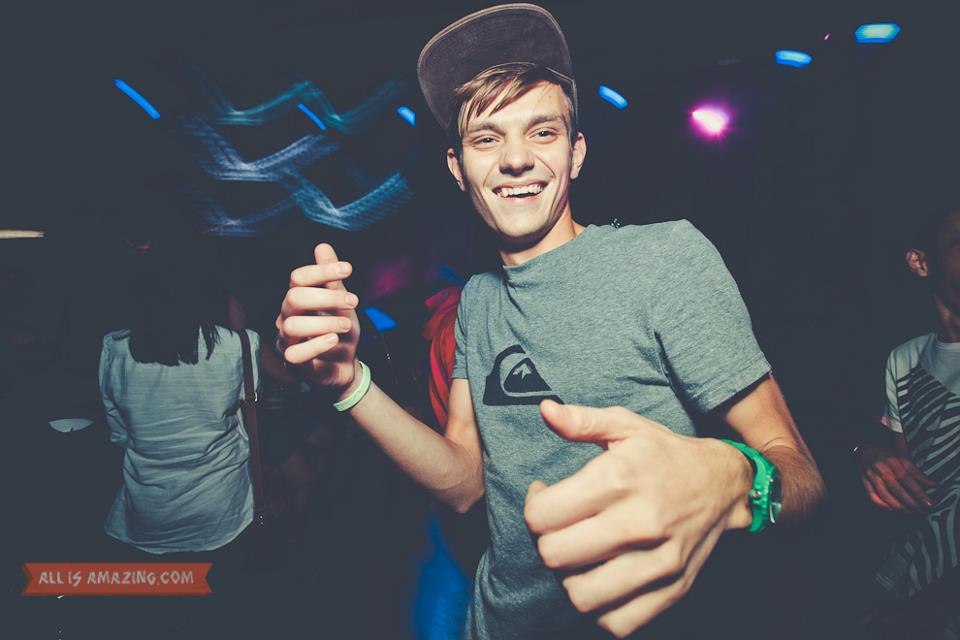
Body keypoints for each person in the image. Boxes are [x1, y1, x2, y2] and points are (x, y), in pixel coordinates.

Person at [275, 4, 825, 638]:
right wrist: (349, 384)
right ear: (457, 167)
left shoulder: (665, 259)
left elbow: (803, 476)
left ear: (576, 152)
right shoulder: (477, 300)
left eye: (542, 132)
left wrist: (735, 478)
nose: (516, 159)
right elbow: (464, 484)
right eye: (487, 138)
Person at [100, 258, 260, 555]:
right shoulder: (239, 345)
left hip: (149, 511)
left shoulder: (115, 348)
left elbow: (118, 433)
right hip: (222, 509)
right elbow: (249, 400)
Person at [857, 205, 960, 637]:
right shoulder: (904, 359)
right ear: (921, 263)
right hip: (908, 581)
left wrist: (931, 605)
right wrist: (868, 454)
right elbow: (915, 490)